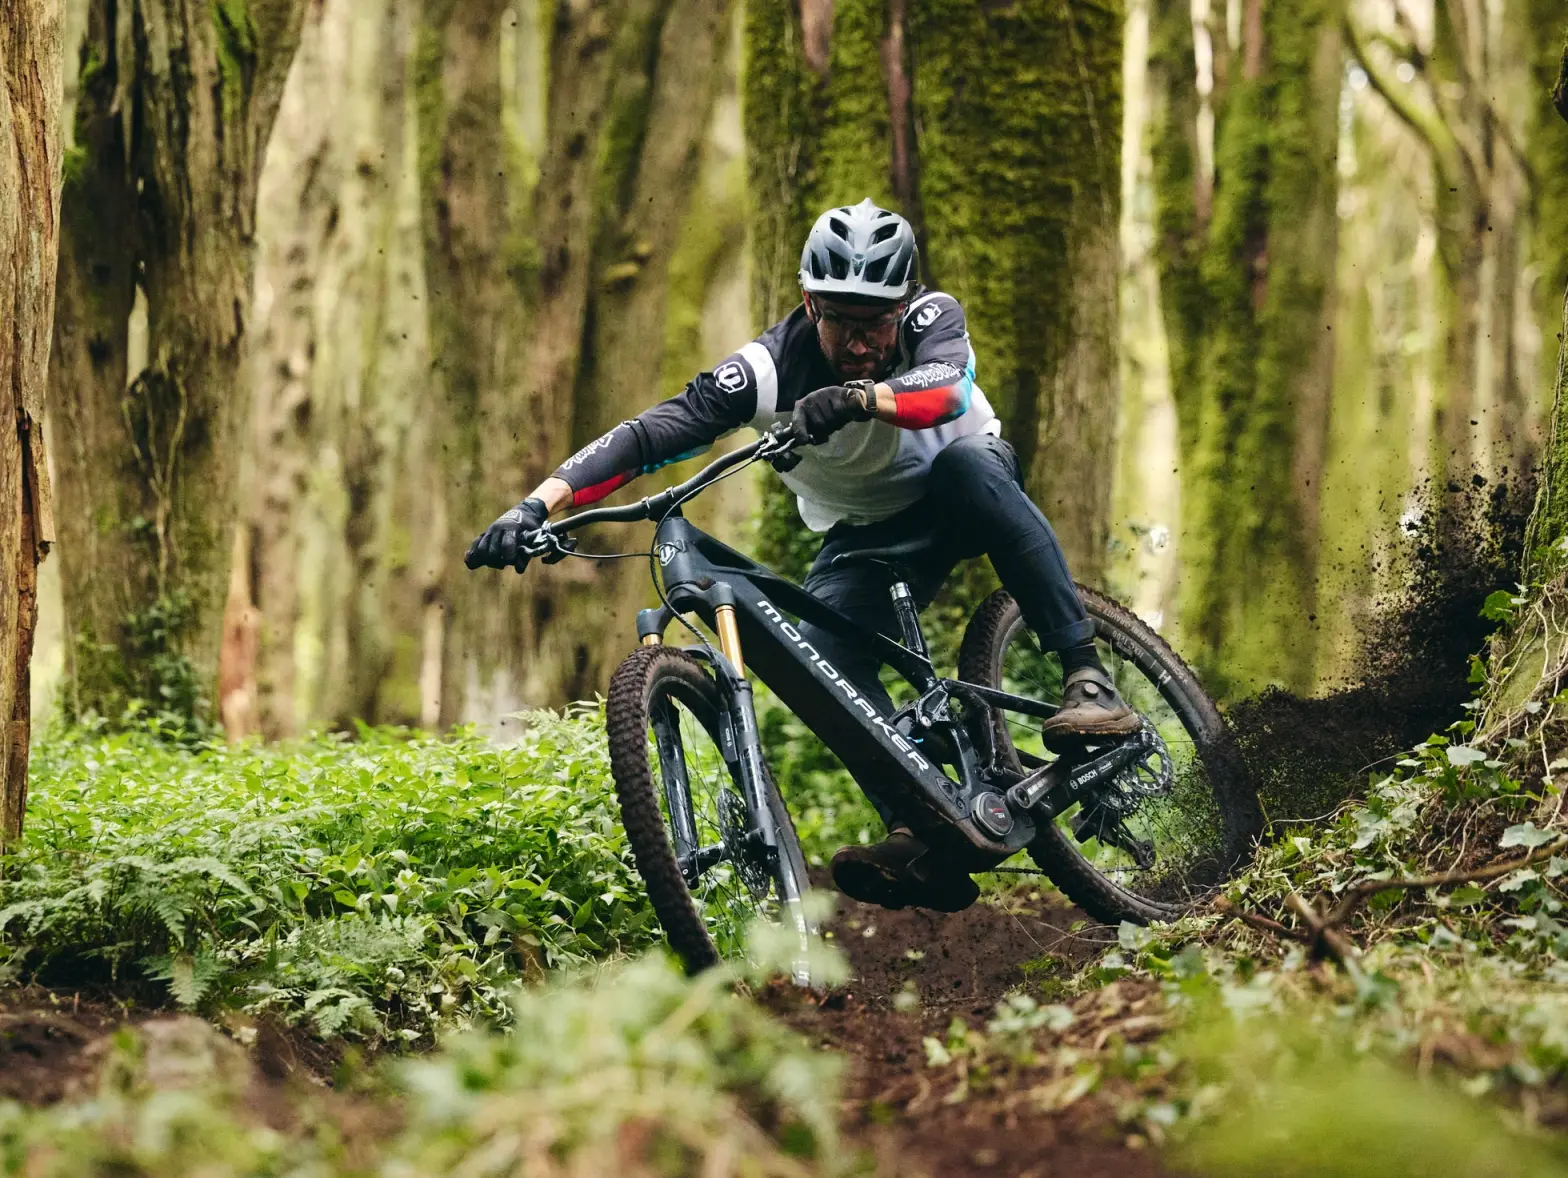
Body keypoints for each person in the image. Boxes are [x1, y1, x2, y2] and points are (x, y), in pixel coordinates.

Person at [466, 198, 1138, 912]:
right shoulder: (768, 368)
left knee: (967, 466)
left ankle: (1087, 676)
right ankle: (924, 830)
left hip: (967, 490)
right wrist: (536, 504)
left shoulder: (931, 317)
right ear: (810, 303)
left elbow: (946, 389)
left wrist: (861, 397)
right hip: (866, 534)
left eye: (876, 321)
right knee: (824, 658)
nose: (861, 340)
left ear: (903, 303)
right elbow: (652, 432)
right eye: (841, 320)